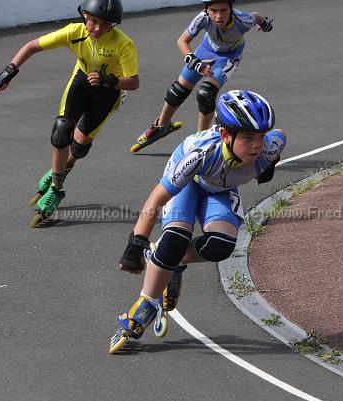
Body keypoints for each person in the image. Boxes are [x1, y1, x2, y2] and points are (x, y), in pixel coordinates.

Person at [110, 90, 286, 353]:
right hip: (189, 183)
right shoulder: (200, 154)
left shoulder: (270, 148)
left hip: (220, 188)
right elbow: (156, 198)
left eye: (260, 136)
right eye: (248, 137)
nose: (256, 145)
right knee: (175, 239)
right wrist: (136, 243)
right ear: (225, 135)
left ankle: (169, 261)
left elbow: (280, 135)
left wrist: (269, 163)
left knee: (220, 246)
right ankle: (145, 304)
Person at [0, 0, 140, 227]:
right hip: (82, 81)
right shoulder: (73, 32)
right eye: (94, 21)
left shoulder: (123, 43)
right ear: (84, 15)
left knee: (79, 147)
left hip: (109, 92)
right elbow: (32, 46)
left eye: (105, 24)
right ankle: (57, 188)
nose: (98, 28)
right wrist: (5, 75)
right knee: (62, 130)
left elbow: (134, 82)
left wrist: (109, 80)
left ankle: (58, 170)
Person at [129, 0, 274, 153]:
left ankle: (200, 139)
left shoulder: (243, 20)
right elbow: (182, 41)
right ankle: (161, 125)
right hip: (206, 50)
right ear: (207, 10)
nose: (219, 16)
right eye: (214, 11)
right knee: (177, 90)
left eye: (223, 10)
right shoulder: (202, 18)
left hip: (229, 56)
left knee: (206, 94)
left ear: (231, 9)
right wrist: (195, 62)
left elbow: (256, 17)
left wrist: (264, 24)